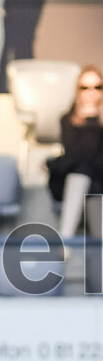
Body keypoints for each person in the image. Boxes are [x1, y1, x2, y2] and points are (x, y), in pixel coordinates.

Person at [47, 65, 103, 238]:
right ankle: (66, 241)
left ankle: (67, 240)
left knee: (88, 179)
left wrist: (93, 120)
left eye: (98, 87)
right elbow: (76, 155)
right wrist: (89, 121)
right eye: (85, 87)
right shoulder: (68, 120)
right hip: (77, 180)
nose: (91, 92)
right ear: (77, 90)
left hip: (99, 178)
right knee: (80, 175)